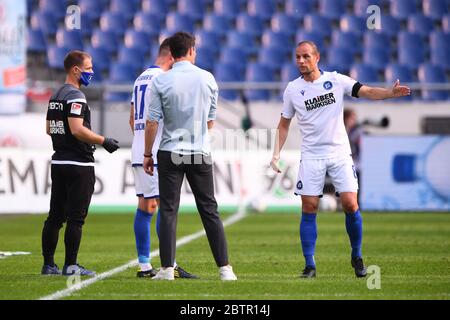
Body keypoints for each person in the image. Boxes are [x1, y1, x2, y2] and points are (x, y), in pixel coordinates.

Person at [270, 41, 410, 278]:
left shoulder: (336, 80)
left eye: (305, 56)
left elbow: (365, 91)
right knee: (309, 207)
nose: (301, 61)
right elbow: (284, 124)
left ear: (317, 57)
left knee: (350, 204)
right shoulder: (292, 89)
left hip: (339, 153)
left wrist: (389, 93)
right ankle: (310, 265)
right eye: (297, 57)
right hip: (312, 155)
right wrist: (275, 153)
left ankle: (356, 256)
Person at [143, 32, 237, 281]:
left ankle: (165, 270)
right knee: (209, 209)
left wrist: (146, 153)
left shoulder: (161, 81)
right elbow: (210, 121)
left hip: (170, 152)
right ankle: (225, 269)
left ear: (171, 54)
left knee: (168, 211)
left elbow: (152, 122)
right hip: (199, 152)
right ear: (192, 51)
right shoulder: (207, 78)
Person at [42, 50, 120, 276]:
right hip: (79, 164)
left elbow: (49, 129)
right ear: (75, 70)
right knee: (76, 218)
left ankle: (48, 265)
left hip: (59, 161)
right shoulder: (76, 96)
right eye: (88, 68)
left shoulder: (56, 95)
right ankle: (71, 265)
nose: (92, 72)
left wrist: (64, 138)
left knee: (55, 217)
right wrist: (103, 140)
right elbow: (77, 129)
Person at [130, 38, 197, 279]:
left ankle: (145, 264)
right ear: (171, 57)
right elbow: (161, 117)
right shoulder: (161, 79)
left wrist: (141, 142)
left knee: (146, 206)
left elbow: (132, 120)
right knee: (163, 207)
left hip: (138, 149)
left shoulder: (140, 78)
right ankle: (169, 264)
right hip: (156, 150)